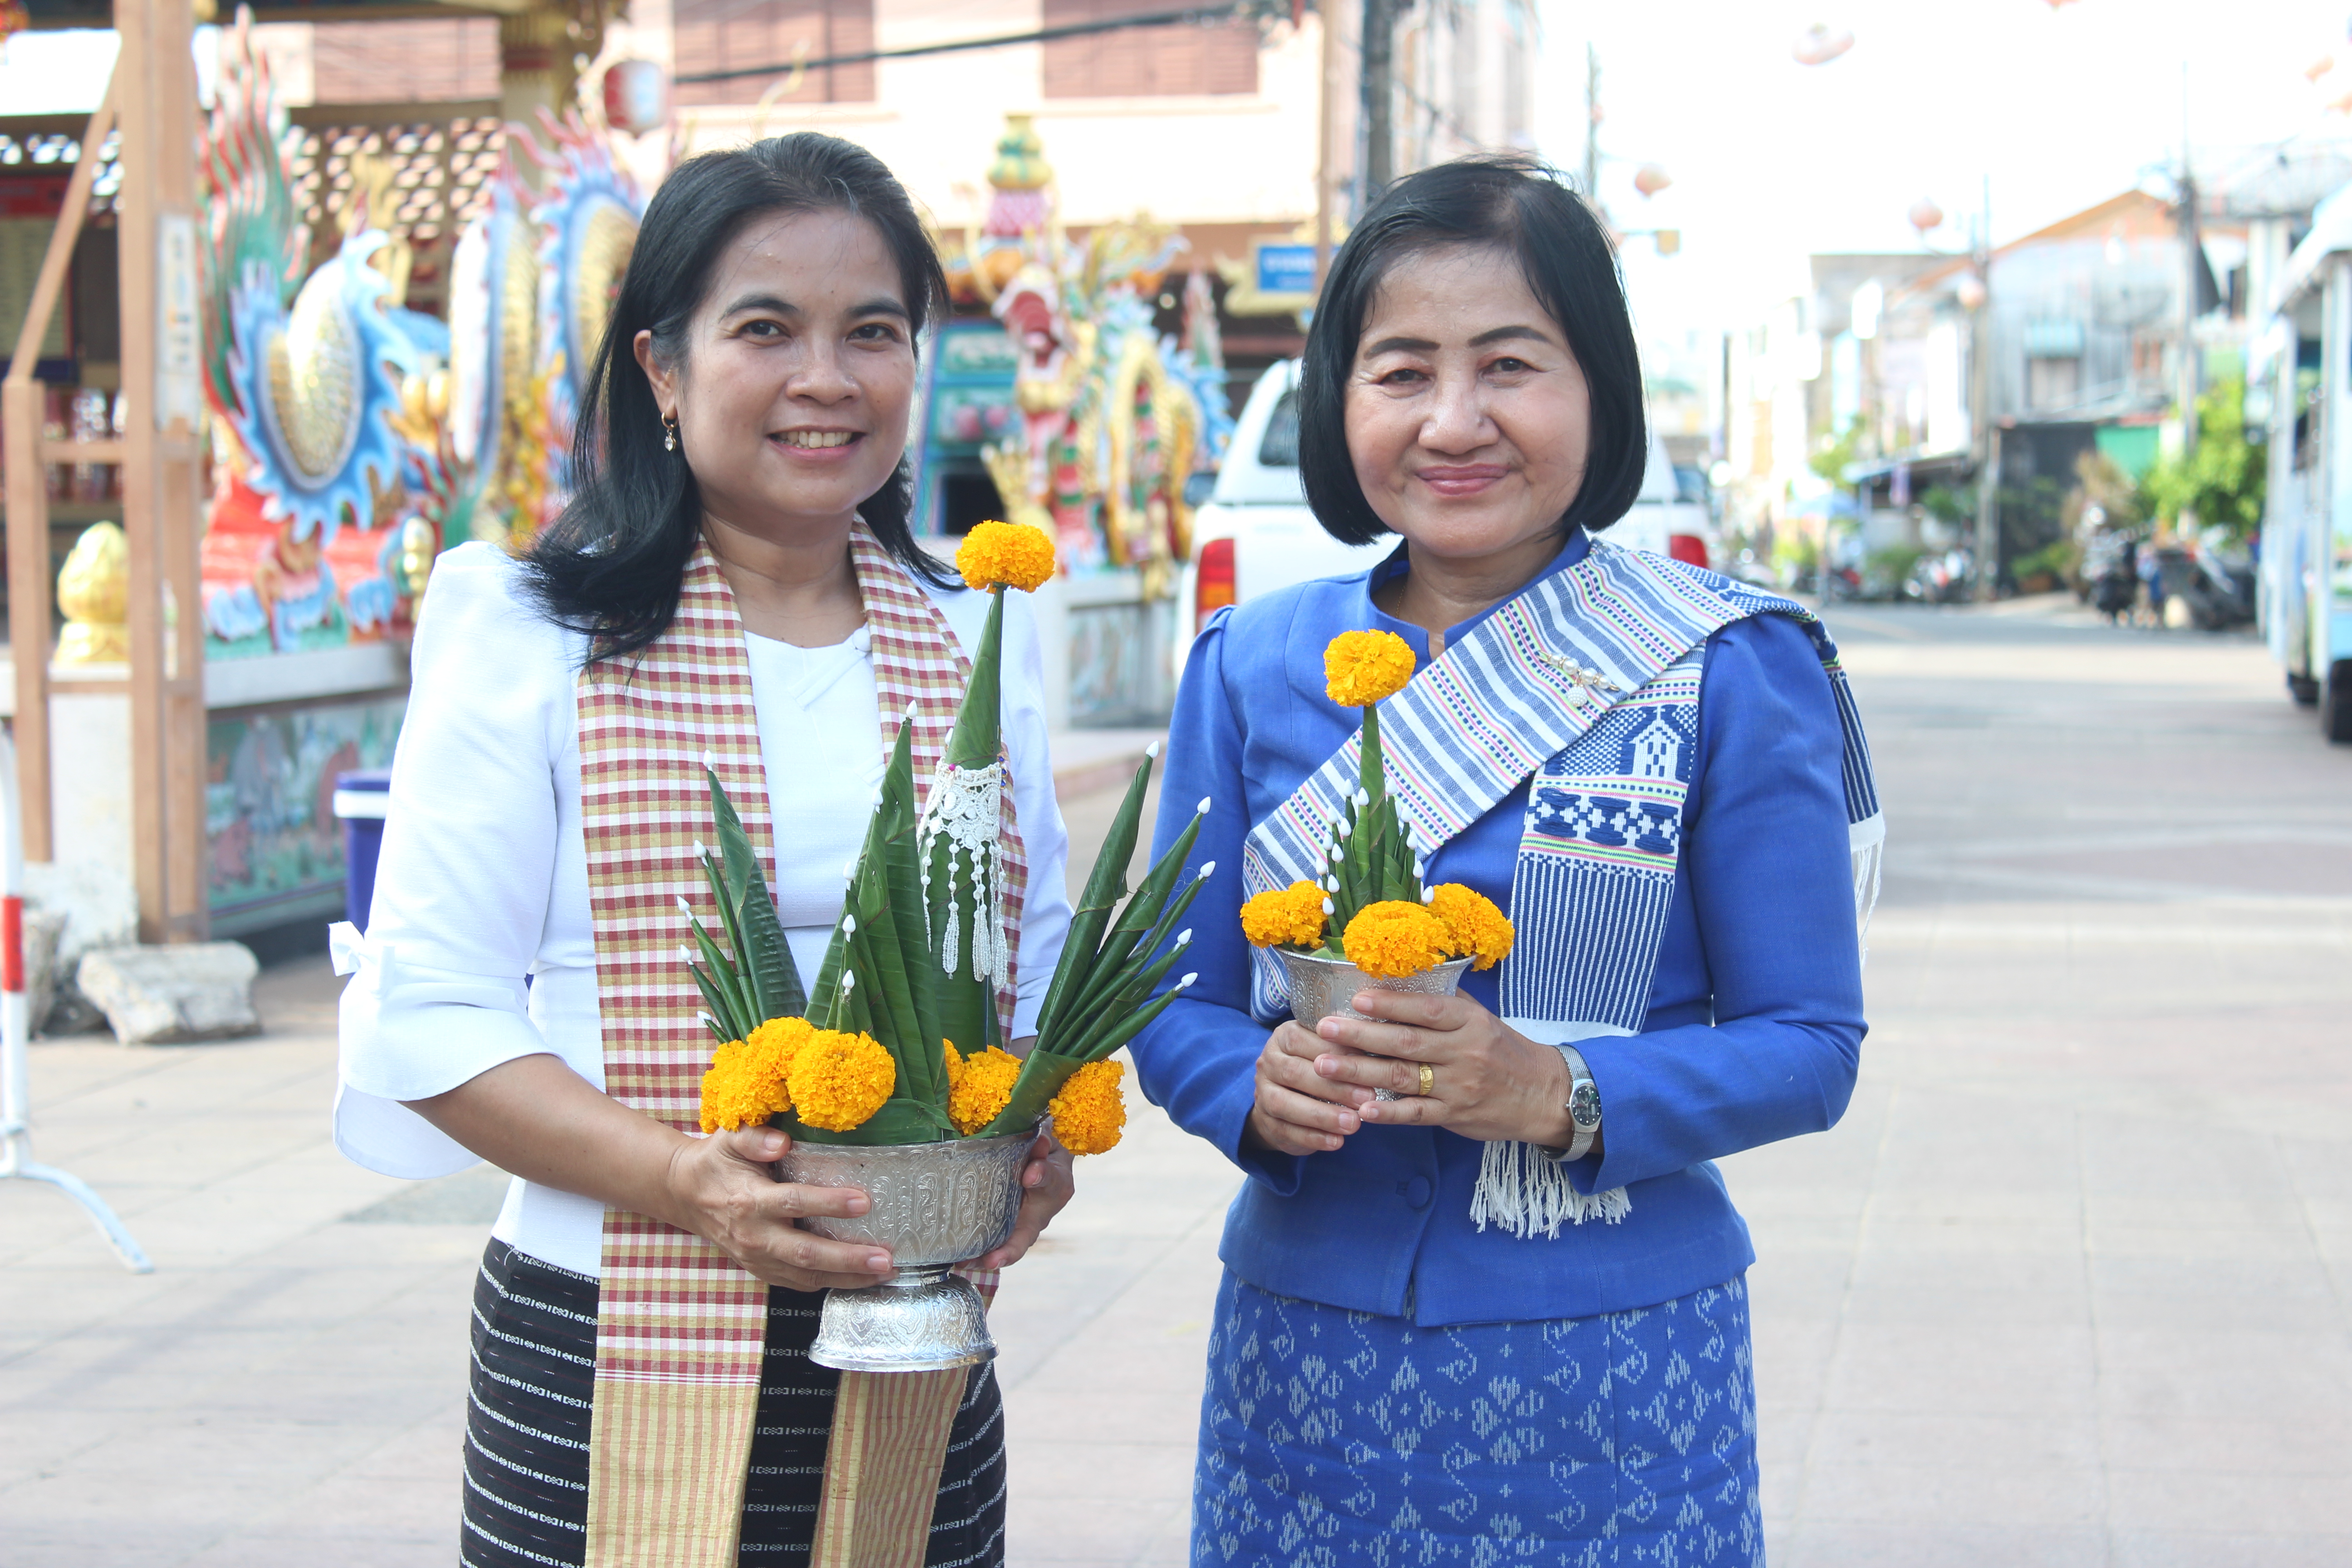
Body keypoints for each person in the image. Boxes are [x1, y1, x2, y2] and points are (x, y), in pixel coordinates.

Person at [333, 134, 1073, 1568]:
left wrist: (1034, 1142)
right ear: (663, 370)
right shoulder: (530, 630)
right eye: (764, 329)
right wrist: (692, 1183)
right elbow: (432, 1015)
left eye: (873, 332)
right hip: (610, 1323)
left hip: (913, 1326)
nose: (827, 379)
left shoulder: (979, 635)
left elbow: (1031, 966)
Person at [1129, 155, 1878, 1565]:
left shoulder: (1727, 663)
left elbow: (1811, 1044)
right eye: (1401, 370)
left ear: (1598, 389)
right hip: (1312, 1366)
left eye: (1510, 366)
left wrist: (1555, 1089)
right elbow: (1175, 1002)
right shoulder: (1250, 664)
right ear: (1340, 399)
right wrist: (1253, 1085)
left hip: (1615, 1374)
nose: (1453, 420)